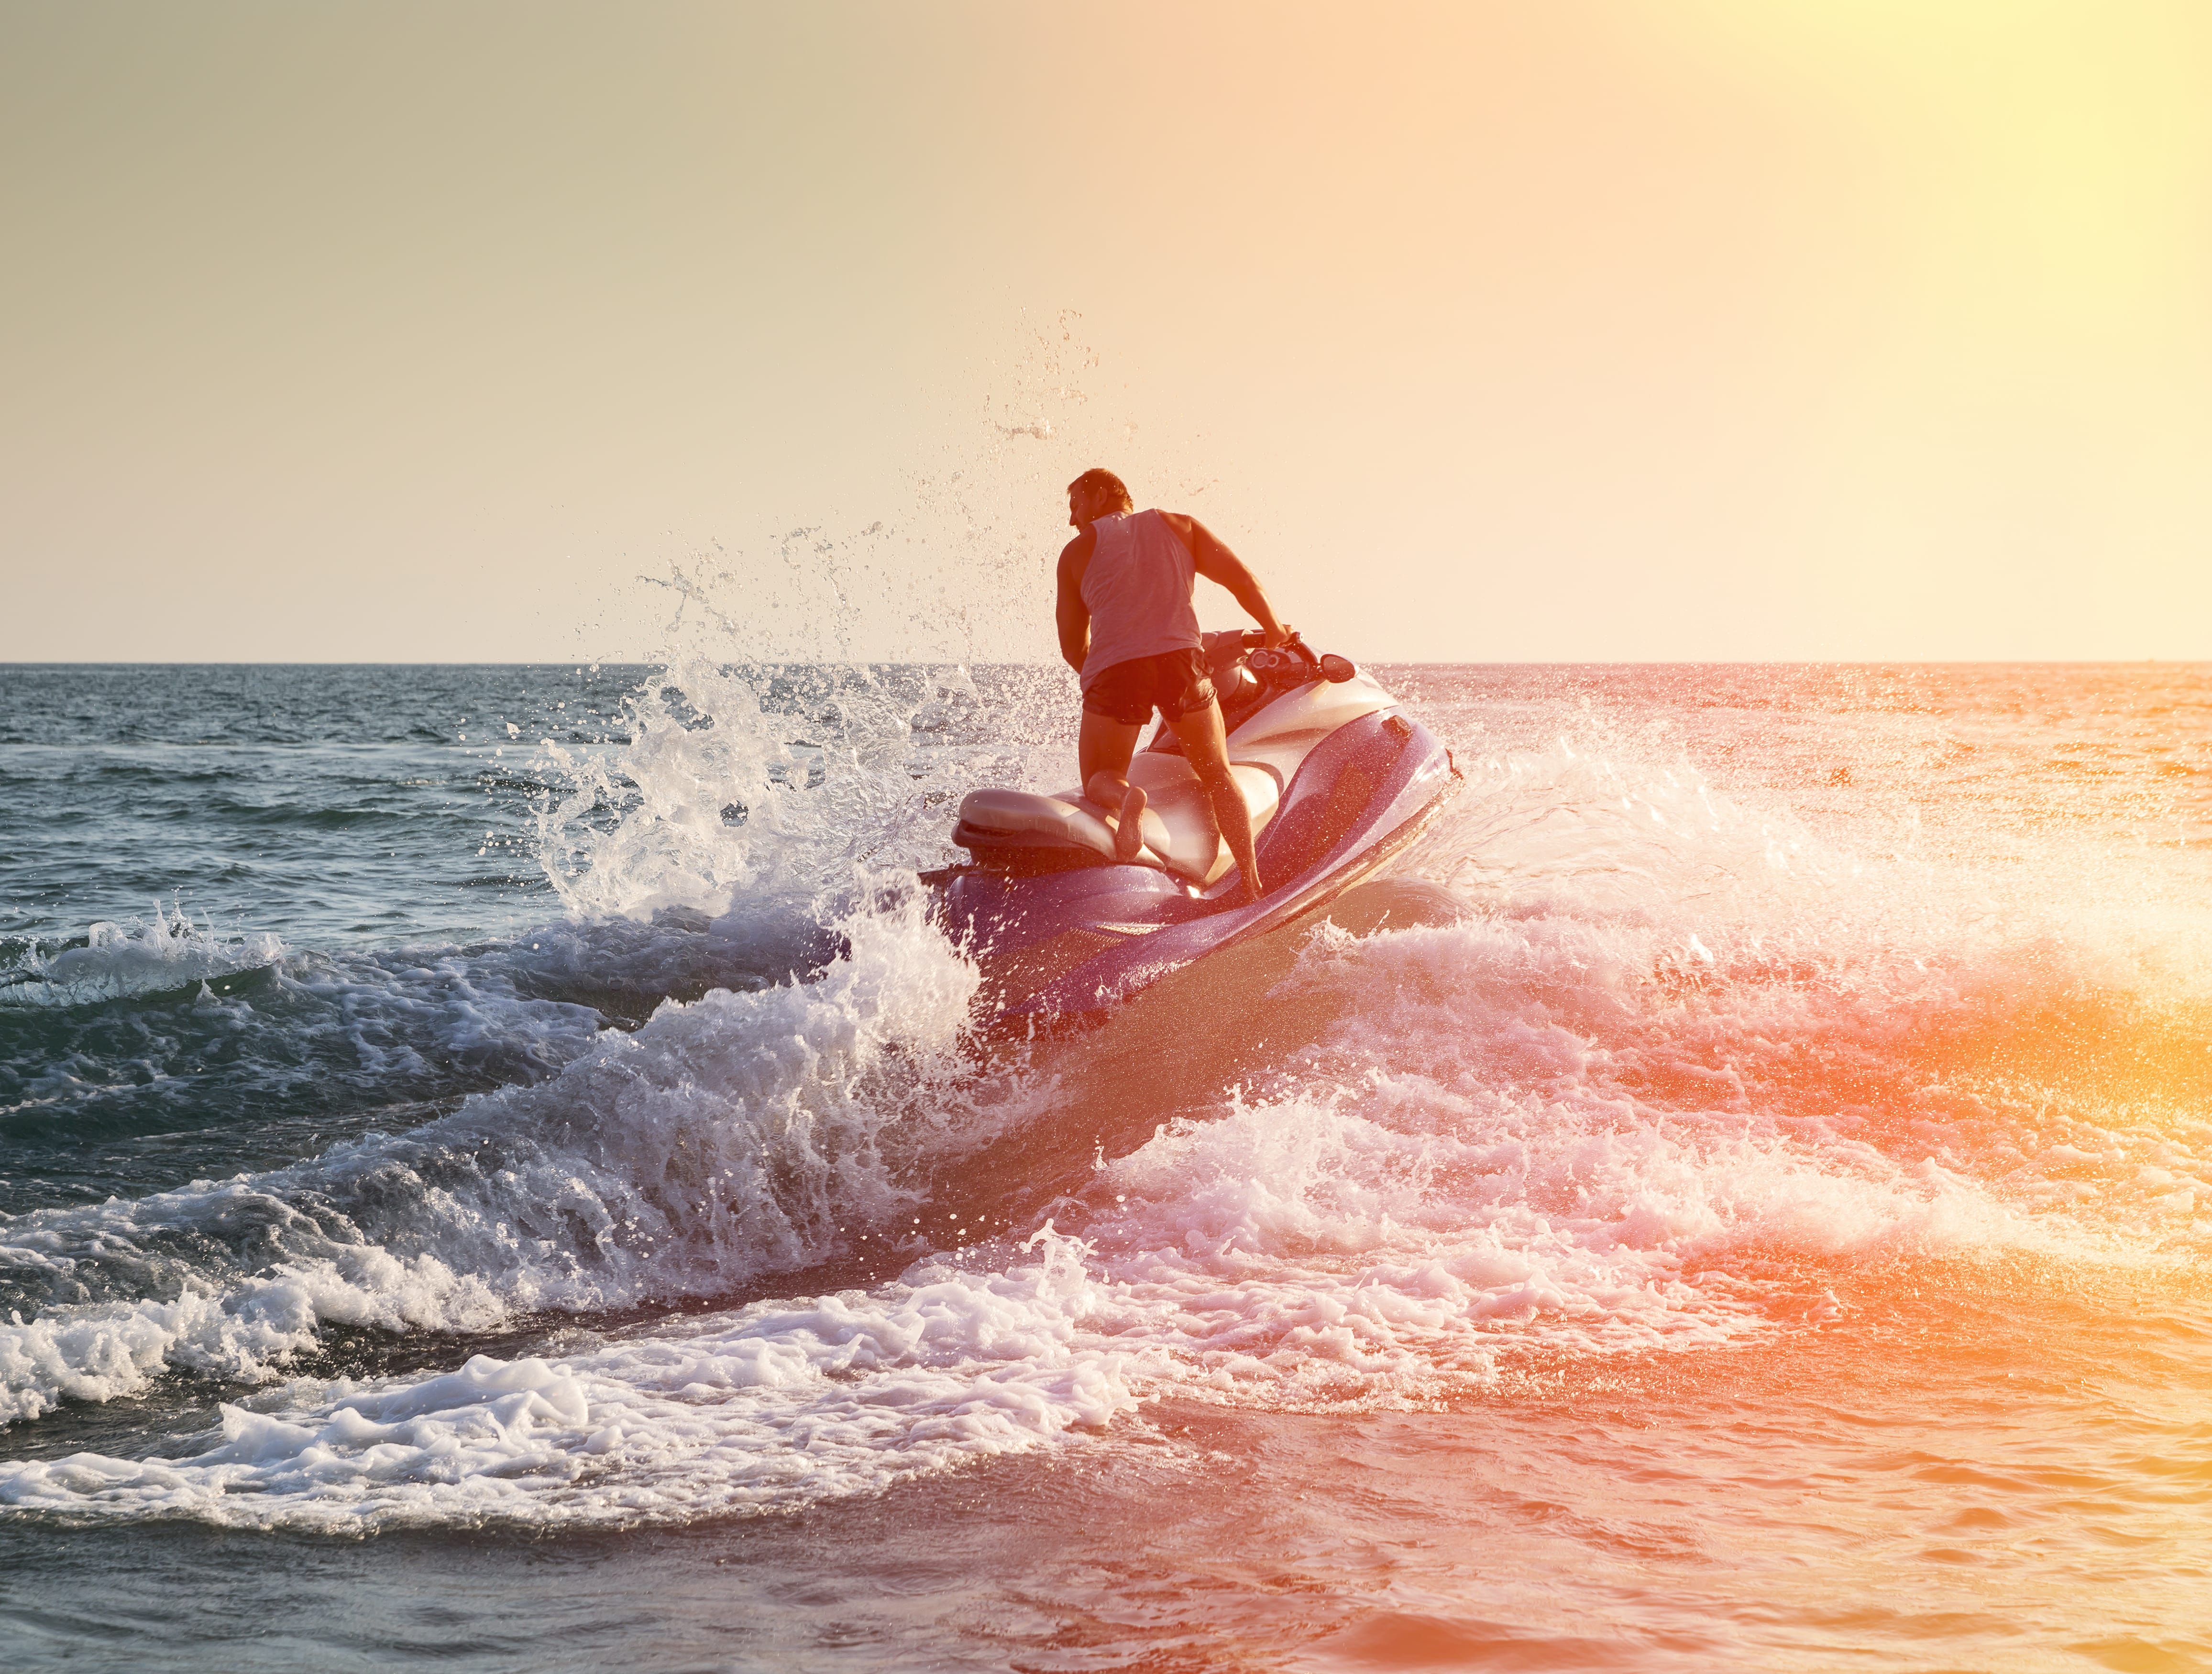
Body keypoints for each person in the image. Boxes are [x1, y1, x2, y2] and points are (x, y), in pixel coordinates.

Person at [1054, 468, 1288, 904]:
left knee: (1101, 777)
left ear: (1102, 494)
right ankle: (1253, 887)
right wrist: (1272, 629)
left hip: (1116, 671)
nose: (1072, 520)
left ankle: (1126, 803)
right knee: (1217, 774)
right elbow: (1242, 580)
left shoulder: (1076, 553)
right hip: (1182, 663)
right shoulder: (1180, 525)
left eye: (1075, 506)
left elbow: (1072, 647)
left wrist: (1105, 679)